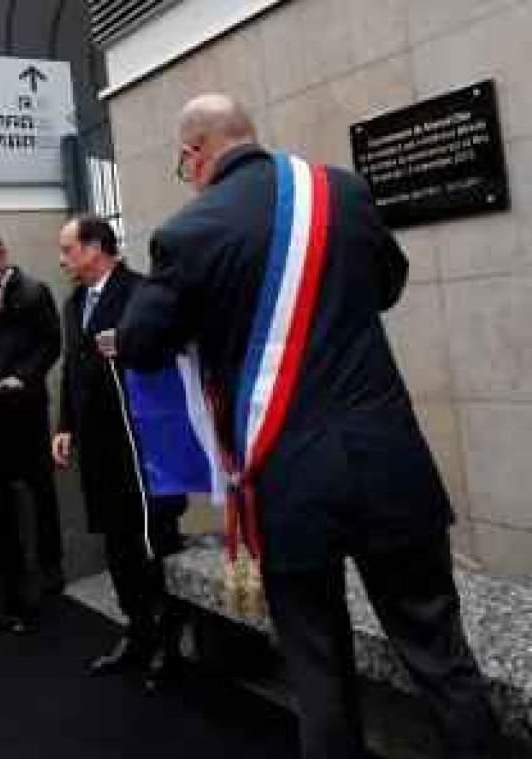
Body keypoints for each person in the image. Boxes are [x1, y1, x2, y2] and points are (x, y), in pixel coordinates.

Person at [108, 93, 499, 758]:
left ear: (192, 154)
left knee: (318, 667)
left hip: (287, 477)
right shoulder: (340, 192)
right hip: (387, 459)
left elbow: (142, 343)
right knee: (437, 652)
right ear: (246, 134)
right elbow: (387, 284)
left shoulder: (188, 232)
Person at [52, 214, 188, 693]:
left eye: (68, 249)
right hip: (99, 445)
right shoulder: (73, 303)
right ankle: (137, 632)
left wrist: (128, 346)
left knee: (153, 544)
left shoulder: (141, 291)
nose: (63, 258)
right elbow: (71, 367)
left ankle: (169, 644)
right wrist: (64, 424)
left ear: (94, 248)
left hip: (143, 445)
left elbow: (173, 351)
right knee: (116, 545)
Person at [0, 230, 65, 597]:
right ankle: (12, 562)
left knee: (40, 488)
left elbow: (52, 342)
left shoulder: (34, 290)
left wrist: (25, 376)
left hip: (27, 404)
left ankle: (51, 563)